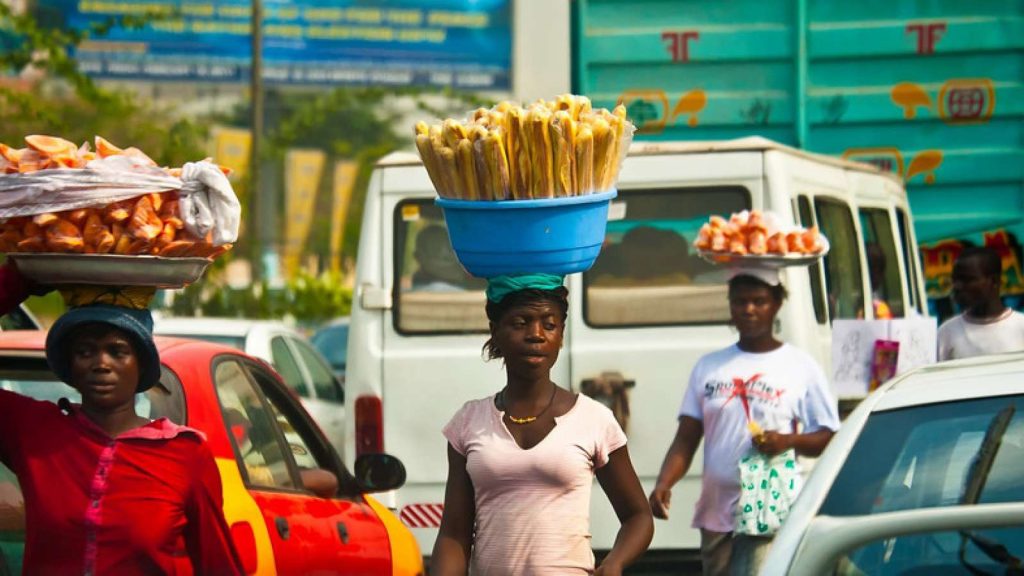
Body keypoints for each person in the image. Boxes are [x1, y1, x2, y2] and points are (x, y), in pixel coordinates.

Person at [431, 274, 654, 575]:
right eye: (520, 323)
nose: (536, 334)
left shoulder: (593, 419)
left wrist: (615, 562)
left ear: (561, 335)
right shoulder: (469, 423)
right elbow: (454, 534)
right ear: (495, 331)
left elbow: (638, 516)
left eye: (549, 325)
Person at [0, 303, 244, 574]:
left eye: (117, 352)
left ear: (141, 364)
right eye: (85, 352)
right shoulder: (34, 429)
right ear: (70, 365)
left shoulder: (185, 453)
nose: (101, 364)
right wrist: (20, 281)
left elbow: (218, 565)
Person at [648, 270, 840, 576]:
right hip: (716, 513)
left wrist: (787, 442)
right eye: (740, 302)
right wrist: (664, 483)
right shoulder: (709, 367)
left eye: (759, 301)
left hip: (769, 510)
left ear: (776, 304)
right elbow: (686, 438)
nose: (749, 309)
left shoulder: (800, 366)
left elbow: (828, 436)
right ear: (730, 306)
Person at [938, 246, 1024, 360]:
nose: (957, 286)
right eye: (954, 280)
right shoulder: (947, 332)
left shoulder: (1020, 326)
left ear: (993, 281)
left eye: (967, 280)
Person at [412, 225, 474, 291]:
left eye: (449, 247)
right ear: (419, 257)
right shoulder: (437, 289)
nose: (448, 254)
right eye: (436, 249)